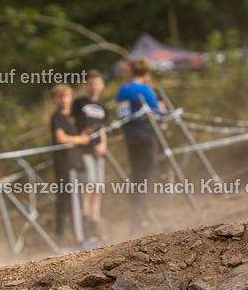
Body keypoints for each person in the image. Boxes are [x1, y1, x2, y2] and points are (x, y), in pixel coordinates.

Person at [115, 58, 167, 211]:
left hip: (130, 137)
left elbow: (122, 114)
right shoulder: (144, 88)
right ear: (146, 72)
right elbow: (158, 112)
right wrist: (161, 105)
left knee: (136, 174)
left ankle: (136, 211)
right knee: (146, 173)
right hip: (146, 135)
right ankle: (142, 213)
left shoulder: (122, 89)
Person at [49, 84, 88, 243]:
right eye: (60, 96)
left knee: (75, 199)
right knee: (66, 200)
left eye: (66, 96)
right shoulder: (57, 117)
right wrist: (80, 139)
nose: (63, 100)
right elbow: (60, 138)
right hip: (65, 164)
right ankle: (67, 237)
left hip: (74, 162)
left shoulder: (69, 118)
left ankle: (76, 235)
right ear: (54, 99)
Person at [73, 70, 108, 241]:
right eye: (91, 83)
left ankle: (95, 222)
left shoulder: (102, 106)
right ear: (85, 85)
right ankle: (85, 223)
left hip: (97, 152)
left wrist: (103, 145)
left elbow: (103, 128)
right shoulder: (79, 103)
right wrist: (78, 138)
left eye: (97, 83)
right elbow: (71, 124)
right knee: (88, 186)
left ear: (102, 86)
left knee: (98, 187)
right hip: (83, 151)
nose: (94, 87)